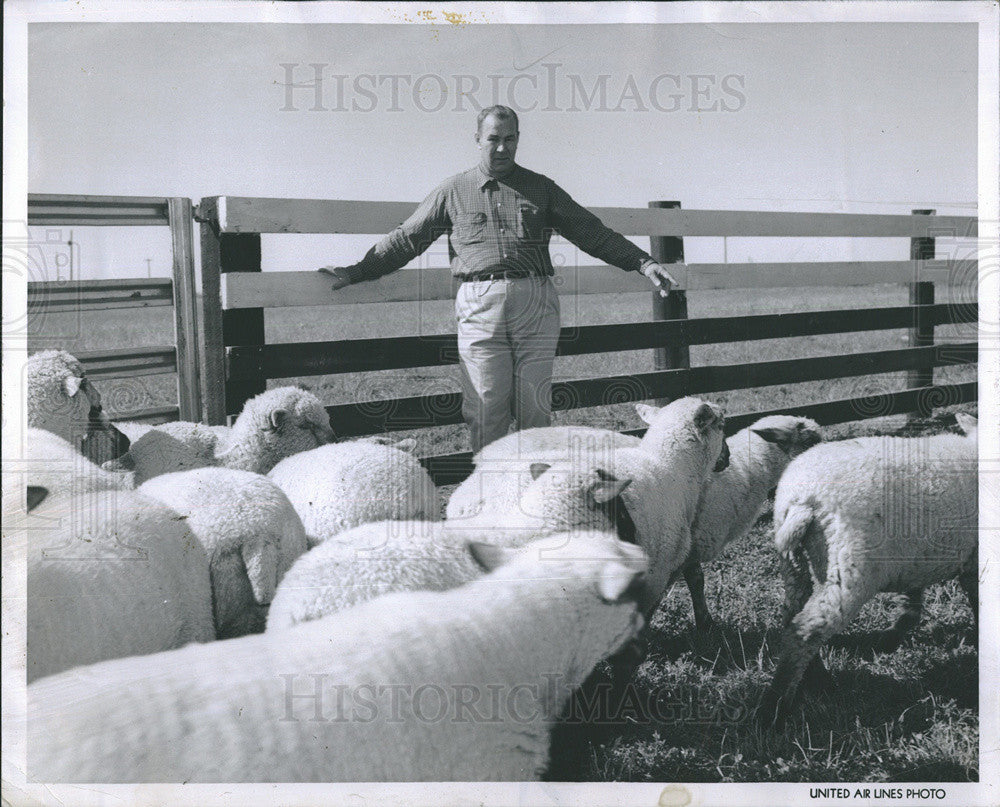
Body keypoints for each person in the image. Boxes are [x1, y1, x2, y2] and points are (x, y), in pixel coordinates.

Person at [321, 105, 679, 452]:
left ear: (519, 139)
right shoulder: (452, 191)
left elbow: (590, 231)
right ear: (477, 138)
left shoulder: (541, 188)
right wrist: (356, 271)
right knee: (484, 406)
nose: (502, 147)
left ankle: (537, 500)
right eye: (493, 138)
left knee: (535, 411)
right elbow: (406, 239)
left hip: (535, 303)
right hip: (479, 305)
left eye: (510, 138)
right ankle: (490, 499)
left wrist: (643, 262)